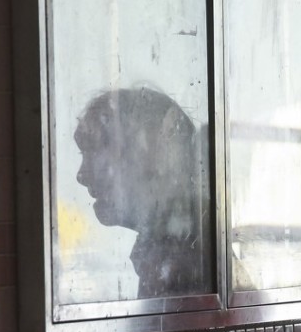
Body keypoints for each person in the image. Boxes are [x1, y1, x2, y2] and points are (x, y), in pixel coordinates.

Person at [74, 87, 213, 298]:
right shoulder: (179, 246)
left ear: (150, 154)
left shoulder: (188, 259)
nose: (81, 175)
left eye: (94, 150)